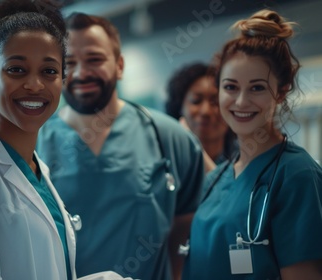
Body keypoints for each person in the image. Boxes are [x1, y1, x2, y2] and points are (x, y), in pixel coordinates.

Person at [0, 1, 131, 279]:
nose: (35, 85)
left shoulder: (38, 170)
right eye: (17, 69)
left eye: (49, 71)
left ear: (62, 79)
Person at [37, 12, 204, 280]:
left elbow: (187, 226)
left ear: (120, 65)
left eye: (94, 59)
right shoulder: (34, 144)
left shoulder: (169, 137)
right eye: (69, 63)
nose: (81, 73)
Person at [182, 9, 322, 279]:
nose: (241, 102)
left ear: (281, 92)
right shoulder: (217, 177)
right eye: (231, 87)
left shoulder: (297, 176)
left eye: (257, 88)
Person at [166, 62, 236, 173]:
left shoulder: (248, 158)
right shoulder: (168, 163)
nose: (206, 111)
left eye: (215, 101)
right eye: (196, 101)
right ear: (180, 107)